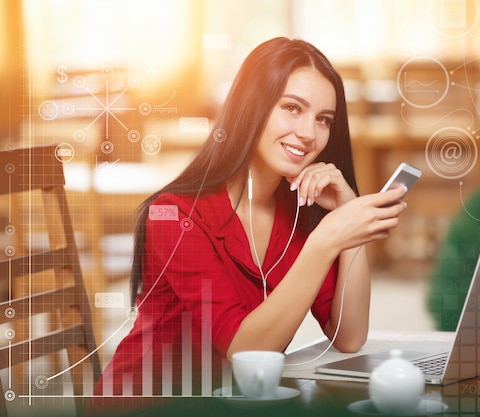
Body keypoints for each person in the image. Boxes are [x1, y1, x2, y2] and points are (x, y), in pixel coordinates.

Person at [88, 37, 407, 413]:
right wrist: (327, 240)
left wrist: (348, 216)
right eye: (292, 108)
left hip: (232, 403)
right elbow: (245, 350)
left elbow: (350, 336)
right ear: (252, 107)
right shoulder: (173, 216)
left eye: (323, 119)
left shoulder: (300, 213)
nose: (309, 133)